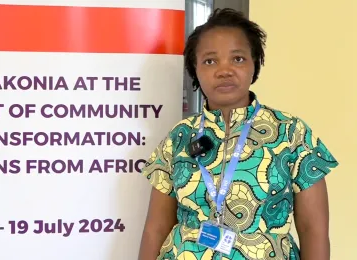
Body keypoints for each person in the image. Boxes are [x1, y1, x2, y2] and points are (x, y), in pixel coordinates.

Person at [138, 8, 338, 260]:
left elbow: (314, 231)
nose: (224, 70)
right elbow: (155, 229)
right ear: (194, 70)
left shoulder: (291, 132)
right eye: (210, 61)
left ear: (255, 64)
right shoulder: (179, 137)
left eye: (238, 59)